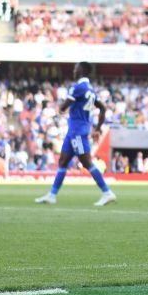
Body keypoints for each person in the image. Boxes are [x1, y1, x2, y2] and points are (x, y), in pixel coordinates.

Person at [35, 62, 116, 206]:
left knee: (86, 162)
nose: (73, 70)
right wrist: (97, 128)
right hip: (74, 131)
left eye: (76, 68)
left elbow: (64, 105)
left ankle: (107, 192)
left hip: (77, 131)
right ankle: (52, 195)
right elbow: (102, 108)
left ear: (81, 70)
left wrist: (61, 108)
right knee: (63, 161)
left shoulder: (78, 88)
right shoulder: (90, 89)